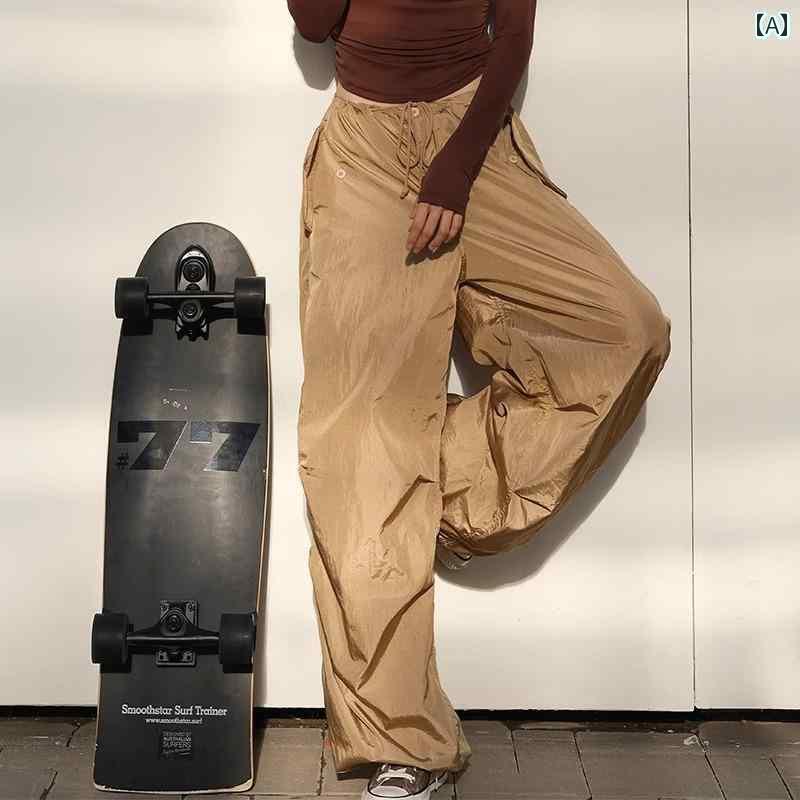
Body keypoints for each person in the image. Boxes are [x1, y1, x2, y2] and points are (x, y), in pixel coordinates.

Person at [287, 1, 672, 798]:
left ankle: (433, 499)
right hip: (362, 153)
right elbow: (314, 22)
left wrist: (456, 169)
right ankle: (403, 745)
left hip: (473, 134)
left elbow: (515, 32)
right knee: (360, 446)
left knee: (626, 330)